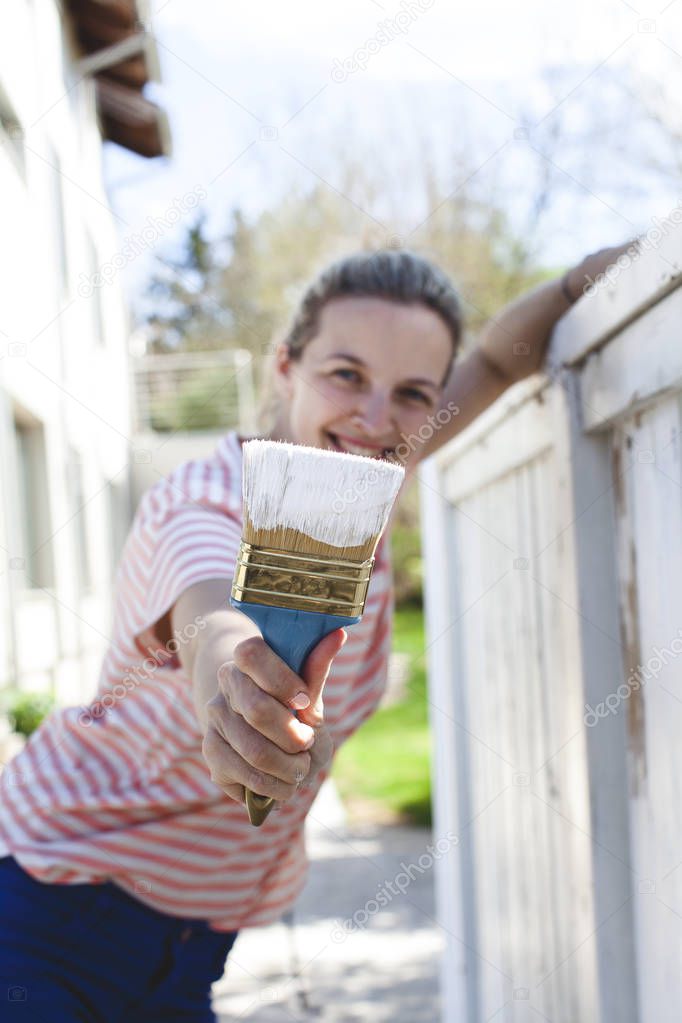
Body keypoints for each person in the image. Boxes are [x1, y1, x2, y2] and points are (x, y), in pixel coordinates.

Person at [0, 243, 633, 1020]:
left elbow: (501, 362)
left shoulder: (362, 479)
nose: (374, 416)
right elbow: (209, 615)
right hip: (46, 908)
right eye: (346, 374)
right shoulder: (206, 502)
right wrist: (235, 690)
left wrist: (584, 280)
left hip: (189, 950)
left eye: (412, 392)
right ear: (284, 367)